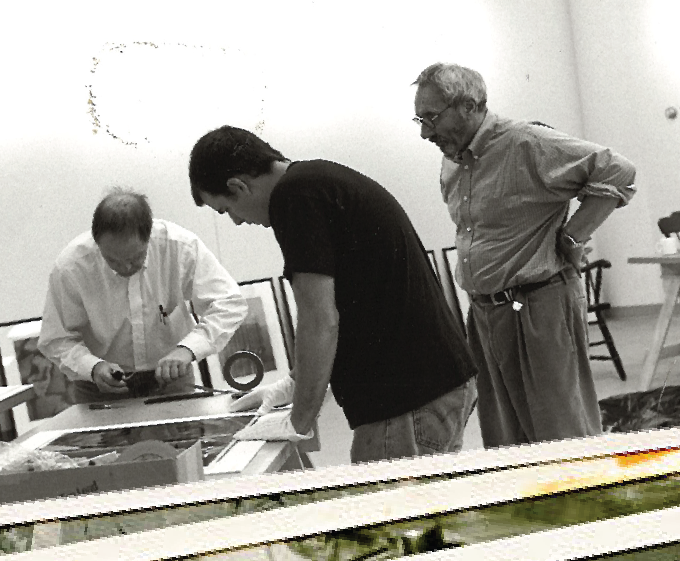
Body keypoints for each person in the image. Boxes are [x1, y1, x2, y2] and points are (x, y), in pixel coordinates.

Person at [188, 127, 478, 463]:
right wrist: (292, 384)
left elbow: (320, 320)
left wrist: (297, 421)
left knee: (390, 510)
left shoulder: (294, 197)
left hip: (407, 398)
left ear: (238, 186)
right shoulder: (316, 181)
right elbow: (354, 299)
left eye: (227, 210)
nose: (237, 222)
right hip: (429, 386)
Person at [412, 62, 638, 447]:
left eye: (432, 118)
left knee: (561, 434)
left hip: (537, 305)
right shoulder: (453, 159)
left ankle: (584, 505)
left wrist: (574, 234)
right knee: (504, 436)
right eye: (419, 119)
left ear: (468, 105)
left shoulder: (526, 142)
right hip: (484, 314)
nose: (424, 132)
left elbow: (618, 171)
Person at [37, 189, 247, 400]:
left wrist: (188, 349)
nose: (125, 267)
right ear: (97, 241)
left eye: (136, 257)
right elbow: (55, 338)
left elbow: (229, 304)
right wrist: (93, 367)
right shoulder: (71, 266)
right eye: (112, 260)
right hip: (99, 386)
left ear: (149, 236)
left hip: (171, 378)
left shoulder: (179, 246)